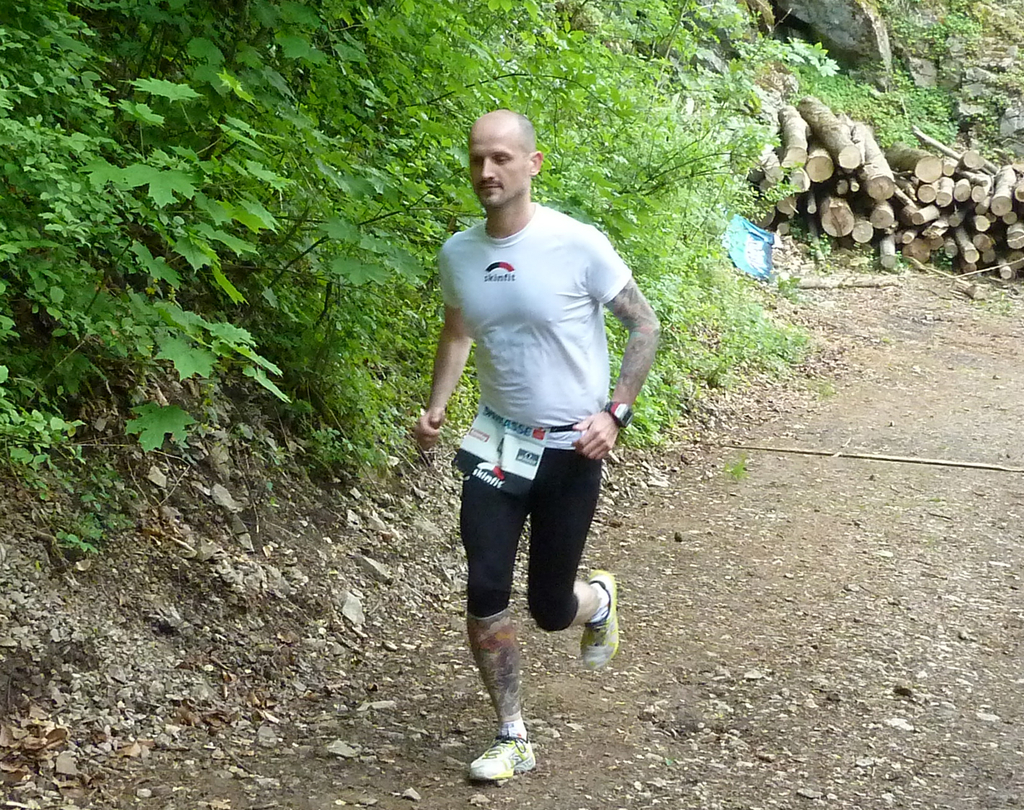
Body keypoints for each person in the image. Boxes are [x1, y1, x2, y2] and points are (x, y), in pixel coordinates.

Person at [412, 110, 660, 782]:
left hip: (572, 450)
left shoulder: (577, 244)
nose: (486, 171)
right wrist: (438, 404)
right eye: (476, 159)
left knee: (551, 608)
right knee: (485, 583)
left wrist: (616, 413)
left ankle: (597, 600)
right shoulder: (459, 254)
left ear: (532, 163)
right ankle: (511, 733)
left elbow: (644, 325)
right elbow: (458, 331)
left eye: (500, 157)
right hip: (496, 443)